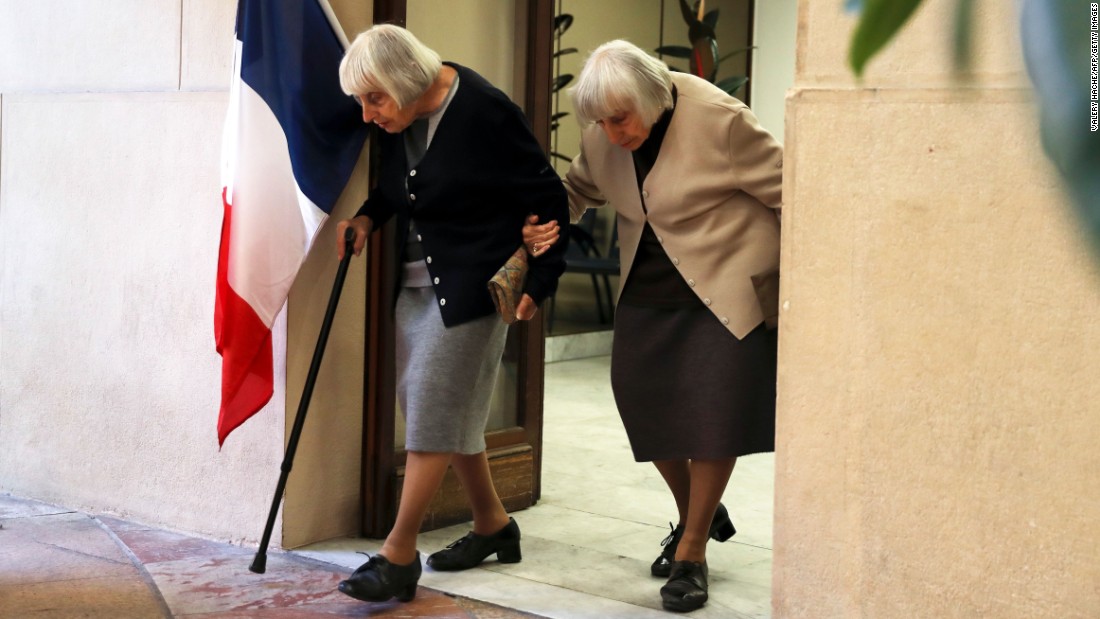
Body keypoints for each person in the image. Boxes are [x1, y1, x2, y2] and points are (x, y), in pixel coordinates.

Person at [525, 39, 782, 613]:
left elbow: (795, 192)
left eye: (621, 119)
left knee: (714, 418)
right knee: (642, 403)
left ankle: (692, 551)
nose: (613, 133)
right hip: (648, 284)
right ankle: (701, 508)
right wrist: (547, 224)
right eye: (603, 122)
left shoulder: (722, 120)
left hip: (726, 283)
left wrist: (801, 286)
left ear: (654, 96)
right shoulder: (602, 132)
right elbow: (578, 191)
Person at [333, 24, 568, 604]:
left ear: (405, 81)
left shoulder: (486, 111)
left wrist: (538, 283)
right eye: (361, 101)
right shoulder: (400, 118)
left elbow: (549, 199)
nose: (368, 114)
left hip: (473, 289)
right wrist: (365, 218)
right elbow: (398, 187)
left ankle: (398, 553)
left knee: (434, 414)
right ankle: (493, 525)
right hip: (416, 288)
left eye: (374, 98)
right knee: (444, 412)